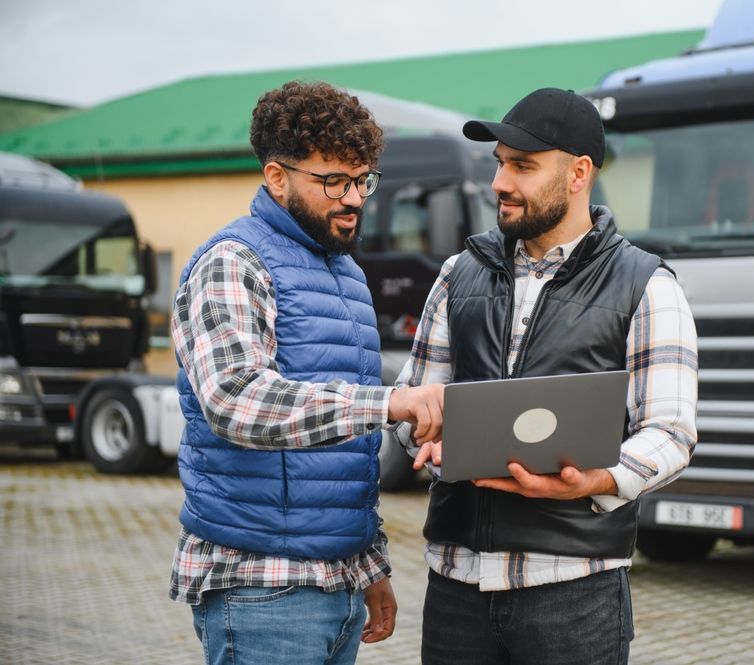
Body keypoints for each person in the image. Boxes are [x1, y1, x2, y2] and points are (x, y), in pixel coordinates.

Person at [394, 88, 698, 665]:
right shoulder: (457, 274)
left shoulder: (647, 286)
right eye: (499, 164)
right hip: (456, 589)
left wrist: (597, 479)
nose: (500, 183)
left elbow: (671, 432)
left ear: (579, 173)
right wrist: (425, 432)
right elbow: (415, 403)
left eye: (523, 166)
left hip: (574, 593)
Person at [168, 81, 444, 665]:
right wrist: (388, 403)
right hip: (261, 588)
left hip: (337, 585)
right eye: (334, 181)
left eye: (363, 180)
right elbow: (236, 400)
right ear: (277, 177)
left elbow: (343, 459)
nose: (354, 198)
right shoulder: (233, 262)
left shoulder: (346, 274)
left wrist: (367, 566)